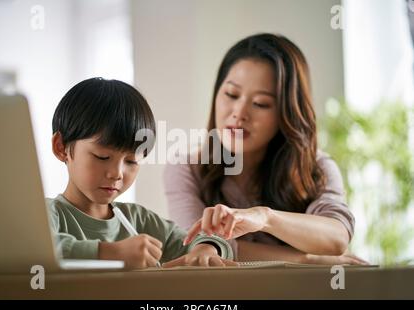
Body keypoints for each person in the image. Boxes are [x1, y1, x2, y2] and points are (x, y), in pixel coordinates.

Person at [164, 33, 367, 265]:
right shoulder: (186, 166)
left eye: (261, 103)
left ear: (286, 113)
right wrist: (308, 259)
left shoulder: (316, 167)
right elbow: (201, 247)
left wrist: (265, 217)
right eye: (231, 94)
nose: (239, 113)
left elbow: (336, 237)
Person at [48, 77, 236, 269]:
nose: (117, 174)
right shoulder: (47, 214)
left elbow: (197, 241)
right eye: (102, 157)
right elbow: (36, 253)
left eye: (132, 161)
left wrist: (206, 249)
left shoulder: (140, 220)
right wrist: (111, 253)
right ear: (61, 147)